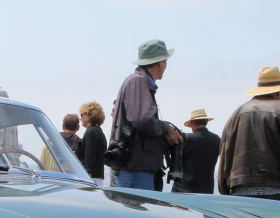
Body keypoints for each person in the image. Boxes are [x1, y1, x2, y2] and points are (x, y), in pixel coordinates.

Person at [217, 66, 280, 201]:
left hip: (240, 193)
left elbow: (224, 155)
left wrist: (226, 190)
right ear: (279, 92)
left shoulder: (236, 114)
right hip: (278, 190)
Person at [110, 39, 183, 190]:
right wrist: (166, 128)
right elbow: (142, 119)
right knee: (135, 211)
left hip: (137, 168)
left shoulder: (138, 81)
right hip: (135, 170)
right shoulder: (138, 81)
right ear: (160, 62)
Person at [172, 109, 220, 194]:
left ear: (193, 123)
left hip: (184, 190)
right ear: (206, 122)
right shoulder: (217, 139)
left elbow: (175, 158)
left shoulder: (186, 138)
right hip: (207, 190)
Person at [77, 101, 107, 186]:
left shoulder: (91, 132)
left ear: (90, 115)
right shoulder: (98, 131)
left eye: (81, 115)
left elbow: (90, 155)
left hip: (91, 178)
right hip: (97, 177)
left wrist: (87, 174)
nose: (80, 118)